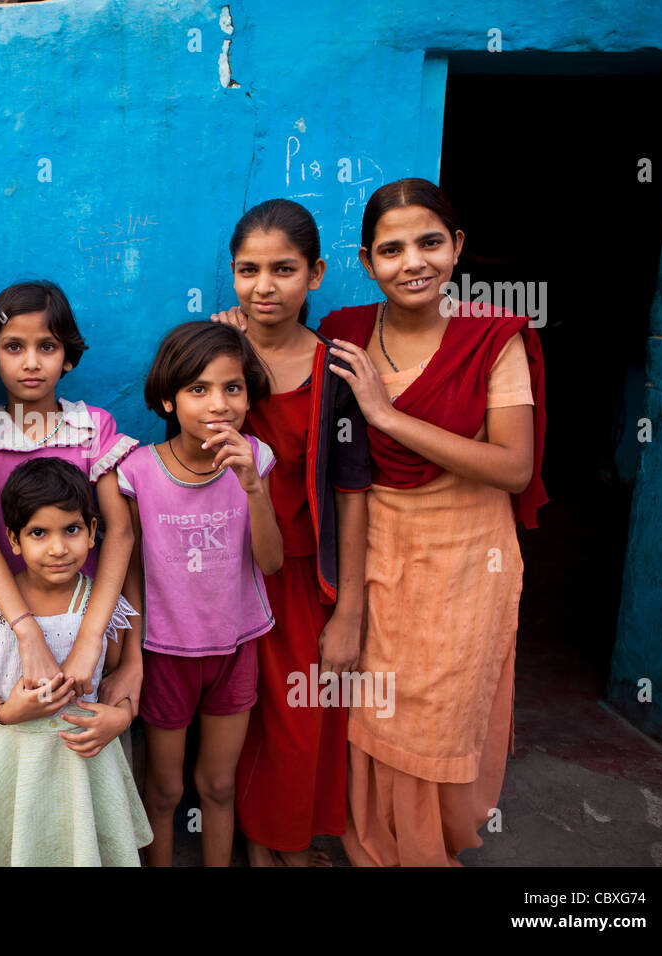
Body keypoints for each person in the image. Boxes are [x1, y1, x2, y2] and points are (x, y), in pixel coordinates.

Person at [319, 177, 547, 866]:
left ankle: (427, 846)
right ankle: (375, 847)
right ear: (365, 261)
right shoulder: (345, 334)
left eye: (429, 242)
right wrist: (238, 325)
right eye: (391, 250)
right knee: (374, 706)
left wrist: (389, 415)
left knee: (440, 710)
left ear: (457, 248)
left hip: (468, 555)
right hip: (379, 547)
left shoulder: (493, 338)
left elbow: (512, 466)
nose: (412, 262)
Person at [211, 199, 371, 866]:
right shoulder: (217, 360)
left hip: (302, 578)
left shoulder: (336, 371)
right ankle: (262, 844)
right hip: (225, 574)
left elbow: (352, 495)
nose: (263, 286)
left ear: (317, 274)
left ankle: (287, 840)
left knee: (300, 725)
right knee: (238, 725)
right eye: (248, 270)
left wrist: (351, 609)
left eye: (283, 269)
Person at [117, 321, 284, 866]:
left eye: (232, 388)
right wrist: (134, 653)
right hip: (166, 654)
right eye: (199, 389)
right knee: (164, 791)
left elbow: (272, 562)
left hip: (235, 648)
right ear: (168, 397)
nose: (220, 404)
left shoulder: (255, 459)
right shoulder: (139, 471)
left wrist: (253, 489)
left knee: (216, 785)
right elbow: (131, 571)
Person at [0, 458, 150, 866]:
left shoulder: (102, 607)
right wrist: (3, 711)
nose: (58, 548)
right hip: (13, 758)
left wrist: (122, 718)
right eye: (38, 533)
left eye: (72, 530)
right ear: (13, 539)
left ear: (93, 532)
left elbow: (114, 679)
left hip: (85, 762)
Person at [0, 280, 137, 710]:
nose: (31, 362)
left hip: (90, 617)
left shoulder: (93, 428)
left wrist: (92, 638)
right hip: (9, 623)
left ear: (68, 357)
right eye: (14, 347)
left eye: (48, 347)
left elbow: (120, 533)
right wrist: (26, 632)